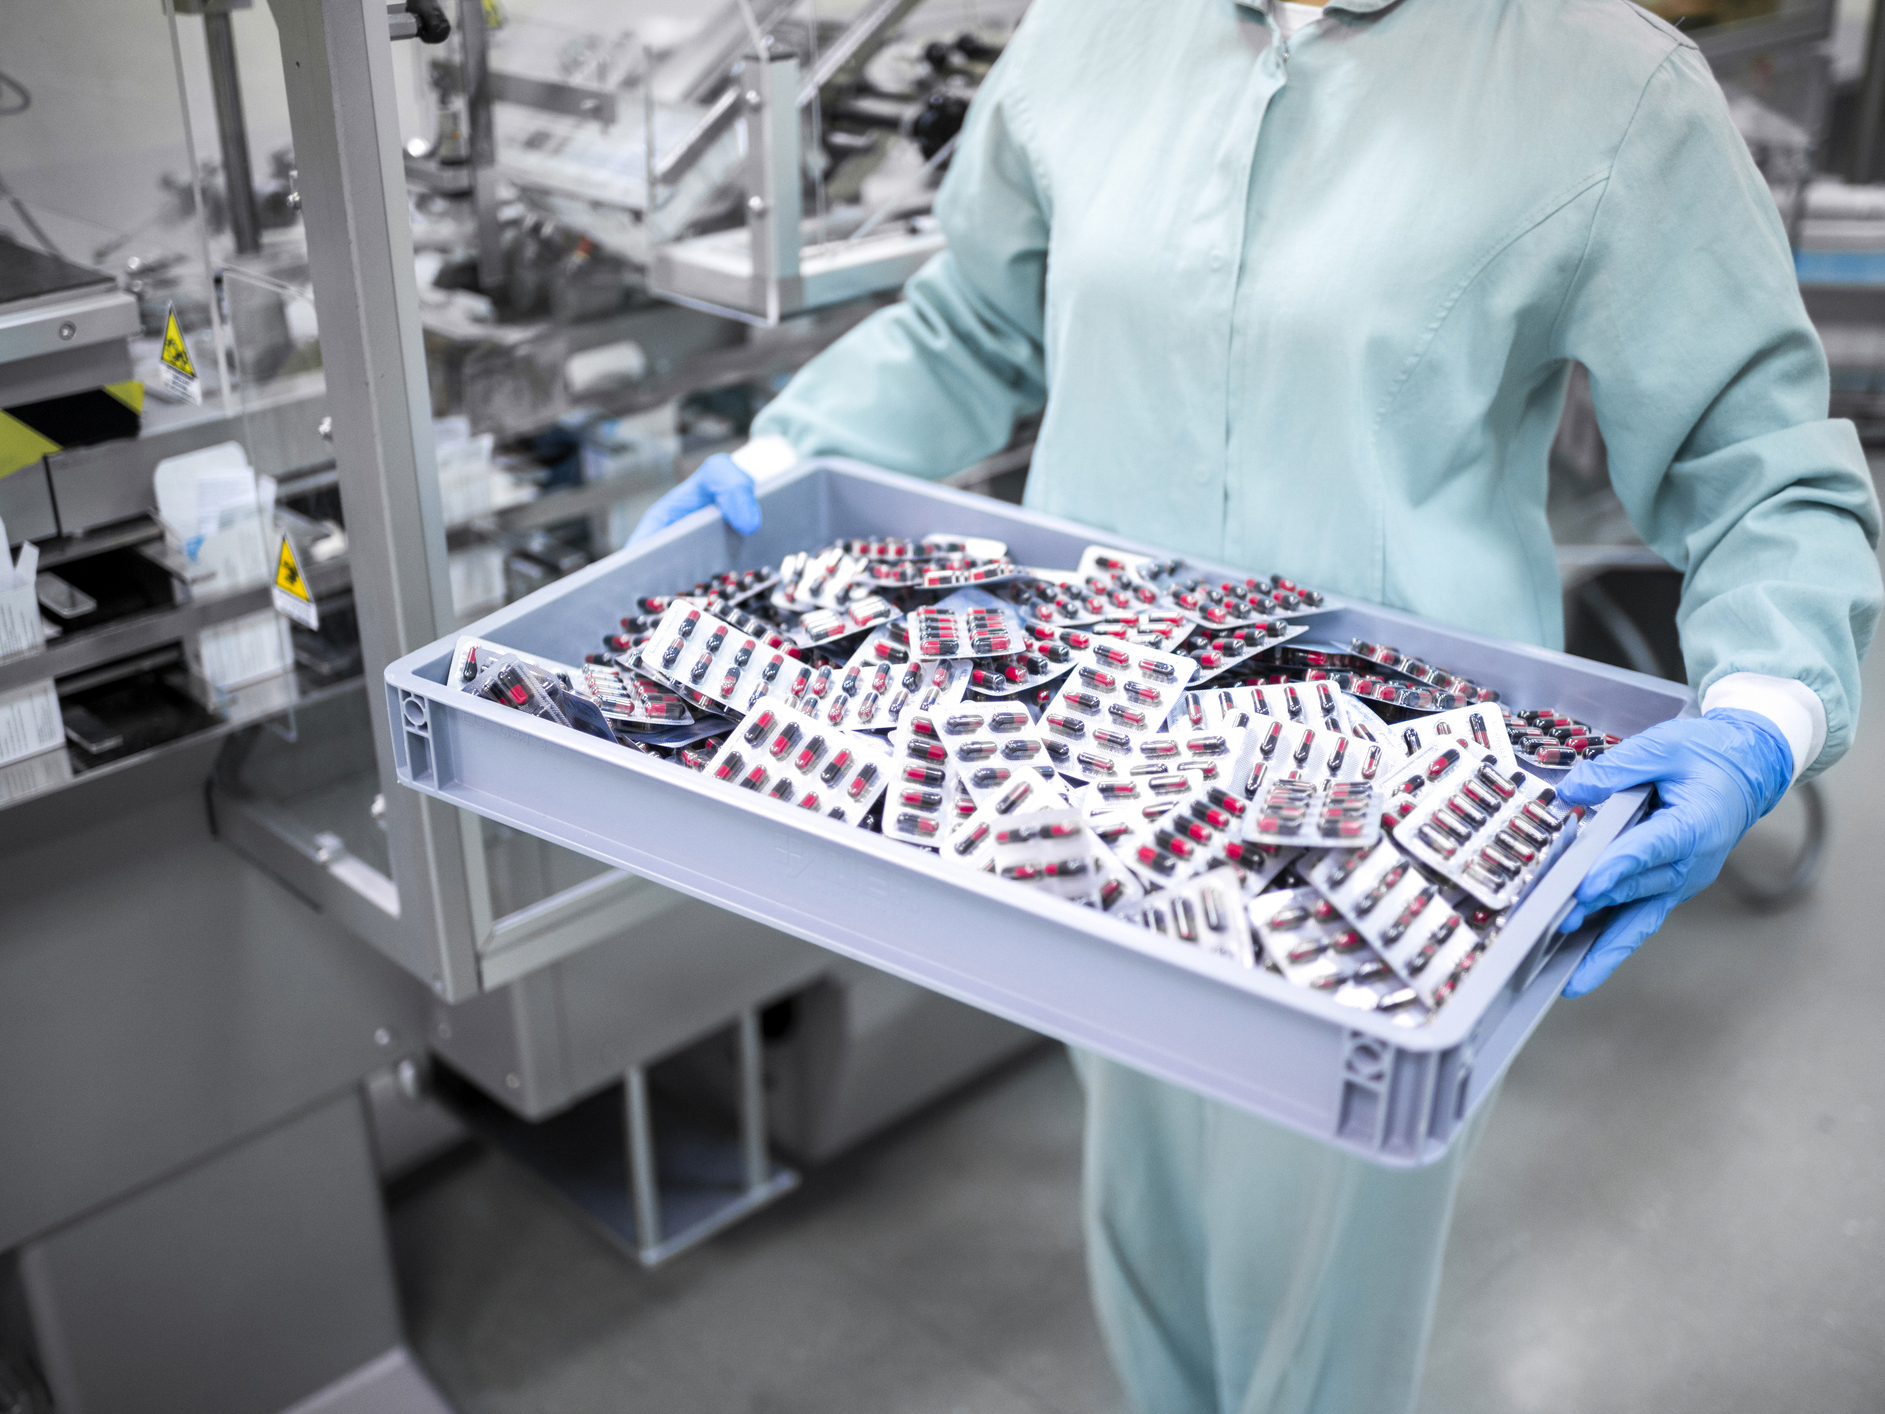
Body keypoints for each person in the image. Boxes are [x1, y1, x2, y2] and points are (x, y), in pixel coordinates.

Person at [634, 0, 1884, 1409]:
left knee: (1326, 1276)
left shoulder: (1599, 81)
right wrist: (793, 446)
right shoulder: (1093, 32)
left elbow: (1757, 457)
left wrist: (1763, 709)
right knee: (1146, 1195)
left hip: (1392, 822)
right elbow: (974, 323)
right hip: (1088, 779)